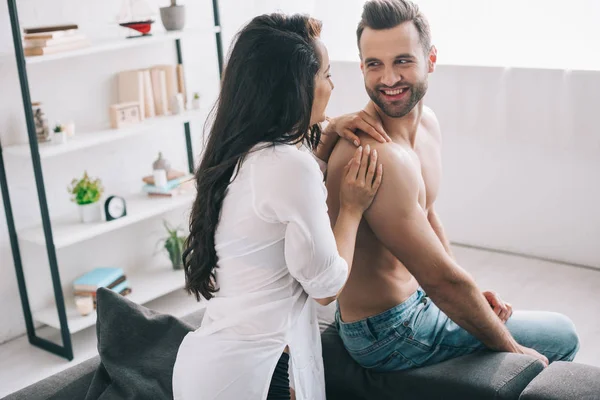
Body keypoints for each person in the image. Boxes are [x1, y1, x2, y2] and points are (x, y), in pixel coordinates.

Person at [323, 0, 580, 372]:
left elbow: (426, 215)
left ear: (431, 59)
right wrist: (515, 352)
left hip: (421, 300)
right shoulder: (375, 155)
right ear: (361, 66)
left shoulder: (427, 125)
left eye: (403, 61)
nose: (389, 78)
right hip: (387, 330)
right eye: (374, 64)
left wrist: (473, 293)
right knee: (562, 335)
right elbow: (441, 281)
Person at [172, 13, 384, 400]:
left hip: (208, 368)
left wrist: (327, 131)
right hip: (254, 376)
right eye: (326, 74)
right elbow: (325, 285)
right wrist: (352, 209)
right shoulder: (288, 165)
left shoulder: (235, 152)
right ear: (297, 88)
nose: (333, 86)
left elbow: (280, 204)